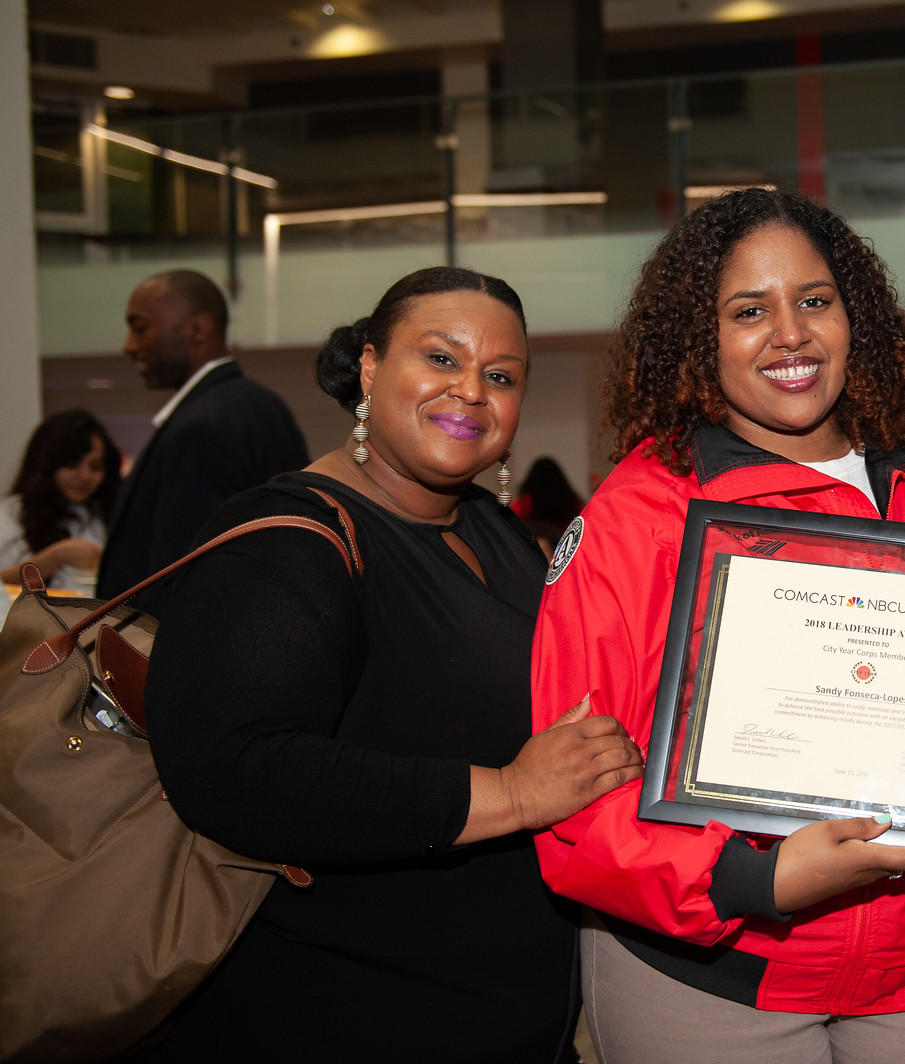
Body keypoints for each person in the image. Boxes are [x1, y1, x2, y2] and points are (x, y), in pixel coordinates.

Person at [529, 189, 905, 1064]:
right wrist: (752, 878)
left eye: (815, 301)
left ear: (855, 318)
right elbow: (577, 789)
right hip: (714, 975)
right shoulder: (639, 515)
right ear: (700, 338)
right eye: (748, 311)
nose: (789, 334)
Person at [141, 266, 643, 1061]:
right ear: (371, 368)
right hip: (339, 1018)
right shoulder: (288, 536)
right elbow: (234, 769)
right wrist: (512, 792)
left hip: (515, 1023)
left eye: (501, 375)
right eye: (442, 360)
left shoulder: (494, 533)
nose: (472, 391)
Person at [97, 269, 308, 615]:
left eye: (140, 327)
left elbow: (180, 573)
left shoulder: (203, 423)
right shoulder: (262, 403)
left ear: (199, 328)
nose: (129, 346)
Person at [0, 409, 121, 594]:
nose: (84, 476)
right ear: (46, 465)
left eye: (96, 467)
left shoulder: (109, 514)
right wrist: (54, 559)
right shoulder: (11, 515)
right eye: (72, 465)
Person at [511, 455, 585, 558]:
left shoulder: (524, 502)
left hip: (532, 553)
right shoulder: (571, 502)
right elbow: (582, 526)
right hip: (567, 553)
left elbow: (510, 526)